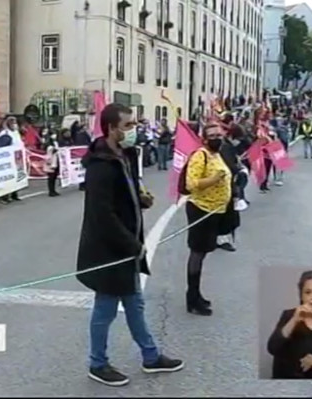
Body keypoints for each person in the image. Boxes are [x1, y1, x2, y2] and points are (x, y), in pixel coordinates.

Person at [77, 103, 183, 387]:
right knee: (106, 309)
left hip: (126, 247)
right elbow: (102, 214)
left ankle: (150, 356)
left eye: (134, 125)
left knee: (135, 304)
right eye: (127, 126)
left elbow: (125, 194)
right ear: (111, 128)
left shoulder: (123, 155)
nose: (133, 130)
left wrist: (140, 200)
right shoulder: (100, 166)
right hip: (110, 251)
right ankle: (97, 363)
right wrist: (130, 245)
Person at [184, 122, 232, 316]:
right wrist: (214, 179)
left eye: (219, 135)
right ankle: (192, 299)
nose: (216, 138)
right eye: (212, 135)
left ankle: (197, 294)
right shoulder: (200, 155)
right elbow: (191, 184)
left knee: (203, 253)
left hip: (215, 211)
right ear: (204, 138)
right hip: (201, 210)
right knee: (197, 253)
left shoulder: (217, 155)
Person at [0, 117, 23, 204]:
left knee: (16, 176)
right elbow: (1, 147)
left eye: (15, 123)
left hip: (17, 158)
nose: (14, 125)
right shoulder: (5, 133)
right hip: (8, 159)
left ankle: (15, 194)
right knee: (7, 178)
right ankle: (5, 196)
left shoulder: (16, 133)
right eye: (12, 123)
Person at [43, 131, 60, 197]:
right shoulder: (48, 146)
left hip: (55, 162)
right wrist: (50, 163)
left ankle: (53, 190)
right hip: (50, 163)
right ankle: (51, 191)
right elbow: (47, 156)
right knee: (51, 178)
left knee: (54, 177)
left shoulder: (55, 143)